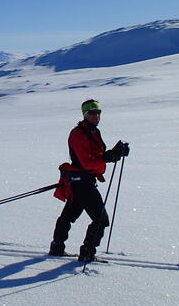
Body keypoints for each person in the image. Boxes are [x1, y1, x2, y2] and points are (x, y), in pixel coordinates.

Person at [49, 99, 129, 262]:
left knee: (68, 216)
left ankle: (57, 247)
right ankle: (87, 253)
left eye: (98, 112)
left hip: (80, 182)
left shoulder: (92, 131)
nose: (96, 116)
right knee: (101, 220)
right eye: (92, 113)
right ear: (85, 114)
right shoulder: (78, 133)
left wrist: (115, 154)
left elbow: (96, 156)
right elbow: (87, 162)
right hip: (82, 183)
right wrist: (108, 157)